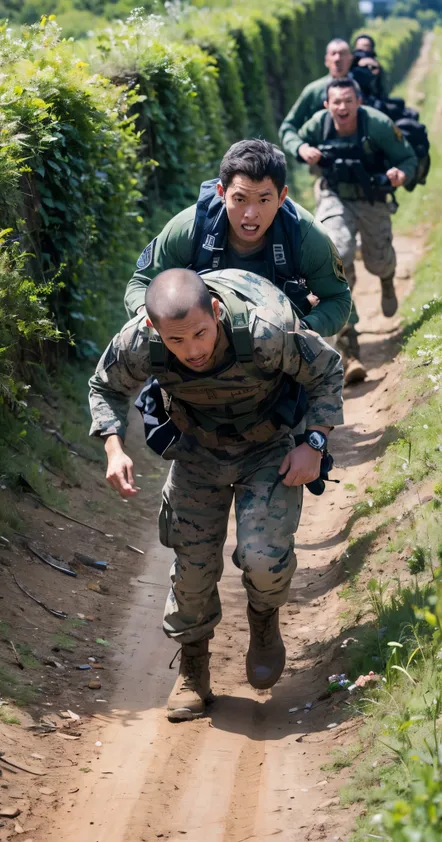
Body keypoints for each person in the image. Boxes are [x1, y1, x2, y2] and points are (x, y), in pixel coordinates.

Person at [90, 266, 344, 721]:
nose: (193, 350)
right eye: (176, 341)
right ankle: (192, 669)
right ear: (154, 329)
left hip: (267, 447)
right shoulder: (141, 340)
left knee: (263, 557)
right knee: (191, 567)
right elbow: (105, 386)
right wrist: (113, 448)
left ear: (217, 310)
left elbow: (326, 372)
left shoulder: (267, 328)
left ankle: (264, 617)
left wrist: (315, 442)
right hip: (197, 450)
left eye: (201, 334)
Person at [125, 139, 352, 345]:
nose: (251, 214)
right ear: (221, 192)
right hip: (202, 343)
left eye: (264, 200)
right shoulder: (190, 228)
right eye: (240, 199)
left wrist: (305, 329)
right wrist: (152, 316)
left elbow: (337, 299)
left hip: (284, 339)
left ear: (282, 197)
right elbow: (141, 284)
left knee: (320, 348)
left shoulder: (305, 235)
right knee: (143, 339)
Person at [292, 77, 417, 383]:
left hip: (372, 199)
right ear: (327, 104)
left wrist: (400, 173)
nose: (342, 107)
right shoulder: (318, 124)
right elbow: (289, 134)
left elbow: (408, 157)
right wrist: (302, 147)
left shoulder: (377, 124)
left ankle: (386, 278)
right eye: (337, 101)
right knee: (335, 252)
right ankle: (349, 345)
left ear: (358, 102)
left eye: (348, 101)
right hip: (333, 195)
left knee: (379, 259)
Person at [279, 38, 353, 164]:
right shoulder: (313, 91)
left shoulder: (362, 88)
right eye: (333, 54)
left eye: (342, 53)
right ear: (326, 60)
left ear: (350, 59)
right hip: (323, 165)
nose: (337, 59)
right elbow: (287, 127)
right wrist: (301, 148)